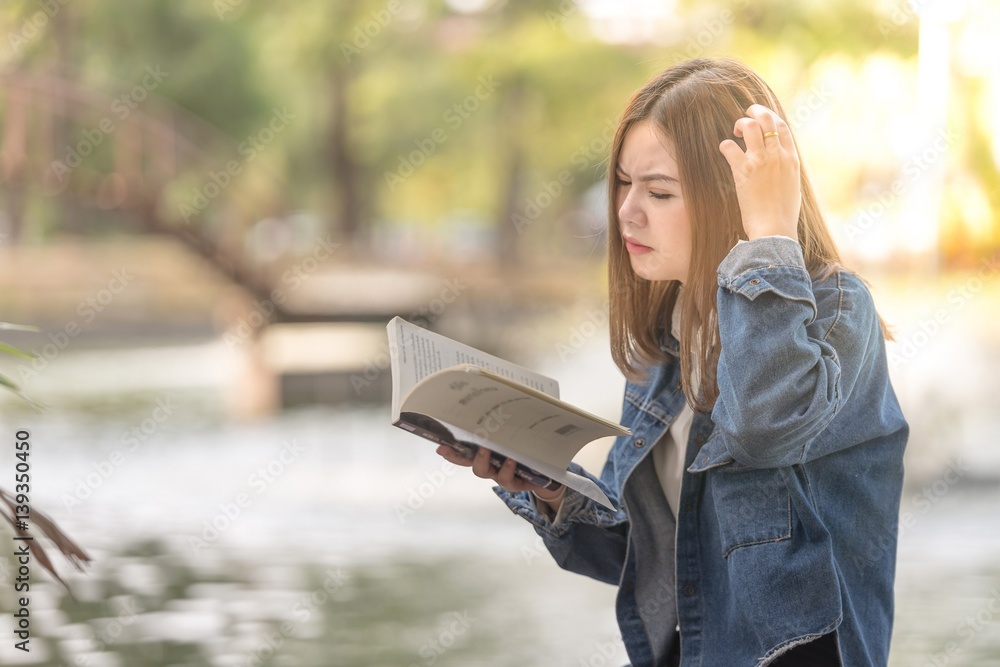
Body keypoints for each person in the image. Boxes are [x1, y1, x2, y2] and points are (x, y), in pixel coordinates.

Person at [436, 57, 908, 666]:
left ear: (733, 195)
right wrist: (545, 485)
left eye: (658, 192)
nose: (627, 211)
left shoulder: (835, 312)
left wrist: (767, 235)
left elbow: (762, 430)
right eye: (623, 184)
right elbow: (643, 556)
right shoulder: (673, 332)